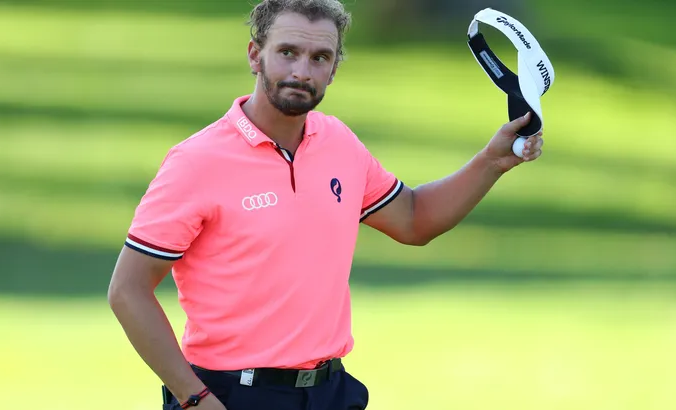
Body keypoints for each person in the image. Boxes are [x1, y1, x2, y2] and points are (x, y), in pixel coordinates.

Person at [107, 0, 544, 409]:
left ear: (333, 70)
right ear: (255, 55)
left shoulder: (338, 143)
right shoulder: (196, 162)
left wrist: (492, 161)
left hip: (331, 392)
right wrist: (194, 399)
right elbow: (128, 291)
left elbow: (414, 219)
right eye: (288, 53)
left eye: (320, 58)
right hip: (231, 393)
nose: (302, 71)